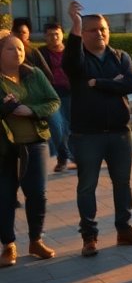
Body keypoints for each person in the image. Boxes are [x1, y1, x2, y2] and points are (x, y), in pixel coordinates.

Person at [64, 1, 132, 256]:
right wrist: (75, 24)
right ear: (82, 33)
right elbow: (71, 63)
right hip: (87, 135)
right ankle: (89, 236)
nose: (99, 33)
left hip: (120, 132)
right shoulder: (78, 59)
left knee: (122, 183)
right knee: (87, 186)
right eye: (92, 30)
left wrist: (99, 83)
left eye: (103, 29)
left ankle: (124, 229)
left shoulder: (120, 57)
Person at [0, 35, 60, 266]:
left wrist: (32, 110)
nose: (17, 53)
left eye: (20, 48)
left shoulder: (34, 74)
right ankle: (8, 245)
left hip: (36, 144)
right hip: (5, 149)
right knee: (5, 196)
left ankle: (36, 240)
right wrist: (6, 107)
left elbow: (53, 100)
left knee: (37, 194)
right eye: (10, 49)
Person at [37, 23, 74, 172]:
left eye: (56, 34)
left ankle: (72, 158)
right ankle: (63, 157)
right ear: (45, 37)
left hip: (71, 93)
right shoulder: (40, 53)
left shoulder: (71, 51)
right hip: (51, 95)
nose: (54, 37)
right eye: (50, 34)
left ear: (62, 34)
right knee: (57, 126)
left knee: (71, 126)